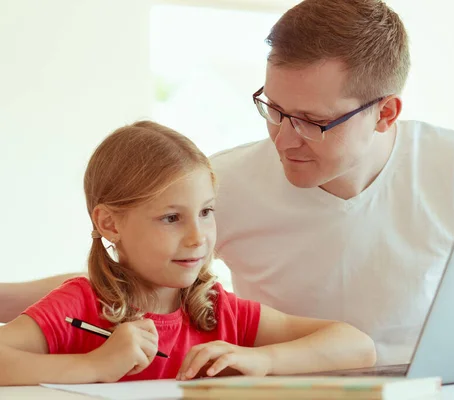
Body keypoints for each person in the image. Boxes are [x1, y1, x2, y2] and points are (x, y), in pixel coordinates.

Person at [0, 0, 454, 364]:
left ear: (386, 114)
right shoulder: (224, 180)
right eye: (273, 108)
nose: (284, 137)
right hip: (287, 384)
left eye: (311, 121)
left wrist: (418, 365)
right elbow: (123, 273)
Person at [0, 121, 376, 386]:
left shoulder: (218, 311)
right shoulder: (80, 306)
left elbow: (357, 347)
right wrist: (95, 365)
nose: (198, 237)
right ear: (111, 224)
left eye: (206, 212)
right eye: (171, 218)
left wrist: (263, 359)